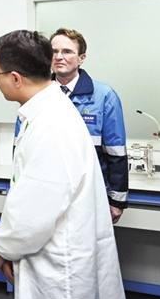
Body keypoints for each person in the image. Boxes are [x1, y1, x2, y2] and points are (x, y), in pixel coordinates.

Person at [0, 30, 134, 299]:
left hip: (58, 262)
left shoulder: (51, 124)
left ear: (15, 78)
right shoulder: (46, 112)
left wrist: (3, 247)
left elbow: (33, 213)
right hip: (60, 251)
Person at [48, 28, 128, 223]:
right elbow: (21, 149)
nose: (59, 57)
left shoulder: (104, 96)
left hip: (89, 195)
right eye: (54, 51)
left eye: (67, 51)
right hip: (48, 193)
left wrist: (116, 200)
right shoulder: (36, 95)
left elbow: (116, 152)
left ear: (81, 58)